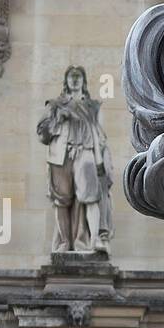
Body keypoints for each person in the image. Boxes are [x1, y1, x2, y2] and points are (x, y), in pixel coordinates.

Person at [37, 65, 114, 254]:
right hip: (61, 156)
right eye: (71, 76)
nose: (75, 79)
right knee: (61, 200)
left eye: (78, 76)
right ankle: (64, 242)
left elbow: (100, 136)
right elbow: (42, 133)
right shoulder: (55, 105)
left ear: (84, 80)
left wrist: (100, 160)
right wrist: (57, 120)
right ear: (66, 81)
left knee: (88, 197)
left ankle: (89, 240)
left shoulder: (92, 106)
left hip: (85, 152)